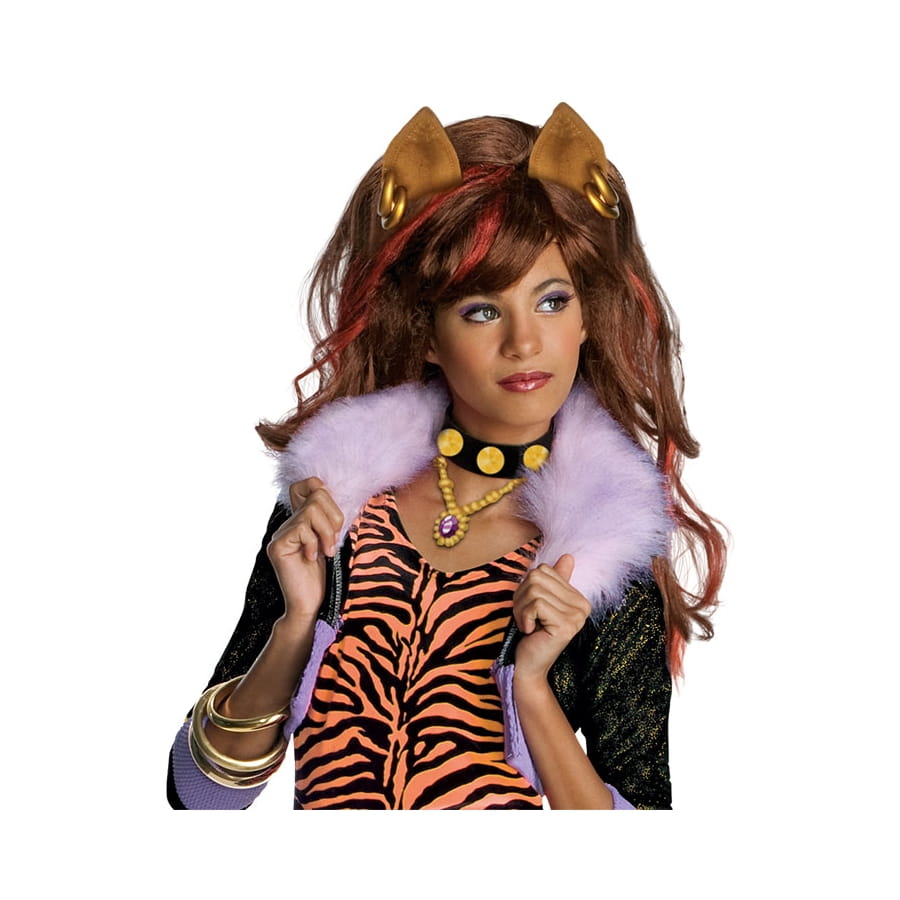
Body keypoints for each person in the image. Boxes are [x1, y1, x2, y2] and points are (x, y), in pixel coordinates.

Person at [167, 103, 726, 810]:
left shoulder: (606, 561)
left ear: (587, 315)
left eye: (552, 301)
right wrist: (296, 623)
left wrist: (531, 688)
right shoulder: (333, 510)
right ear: (427, 333)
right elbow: (197, 799)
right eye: (481, 310)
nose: (524, 343)